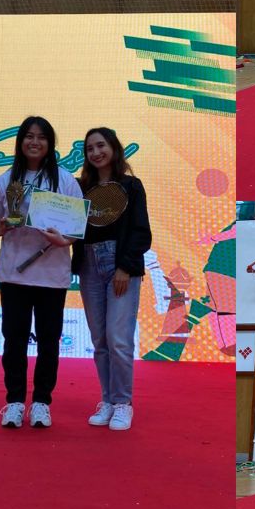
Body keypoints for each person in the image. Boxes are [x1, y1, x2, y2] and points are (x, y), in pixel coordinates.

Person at [0, 116, 83, 429]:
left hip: (51, 274)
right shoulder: (5, 180)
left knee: (49, 341)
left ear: (50, 143)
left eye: (41, 137)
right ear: (20, 142)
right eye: (29, 136)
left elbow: (76, 228)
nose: (34, 142)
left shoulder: (65, 181)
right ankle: (14, 401)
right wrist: (2, 226)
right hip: (14, 273)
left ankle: (42, 402)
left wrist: (64, 240)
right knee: (13, 340)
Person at [72, 127, 152, 431]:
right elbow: (70, 227)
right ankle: (106, 400)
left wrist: (125, 268)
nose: (96, 153)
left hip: (120, 266)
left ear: (114, 148)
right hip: (88, 266)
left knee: (118, 339)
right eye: (89, 149)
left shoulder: (132, 186)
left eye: (100, 145)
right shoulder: (80, 188)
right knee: (100, 340)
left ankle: (122, 403)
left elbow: (141, 232)